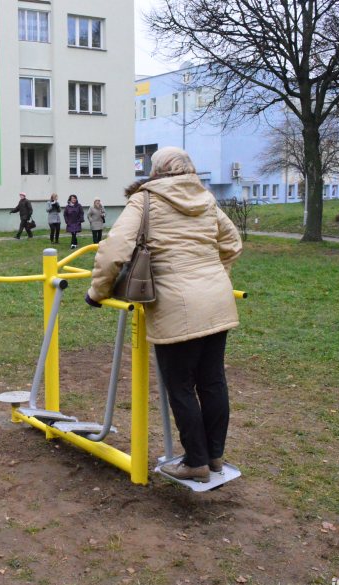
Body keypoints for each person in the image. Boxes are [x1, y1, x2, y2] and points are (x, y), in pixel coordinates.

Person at [84, 147, 243, 483]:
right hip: (216, 301)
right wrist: (216, 274)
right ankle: (214, 456)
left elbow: (113, 250)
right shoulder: (205, 199)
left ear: (156, 171)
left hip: (176, 305)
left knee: (181, 384)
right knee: (212, 380)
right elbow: (232, 243)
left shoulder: (145, 200)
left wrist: (97, 292)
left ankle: (196, 461)